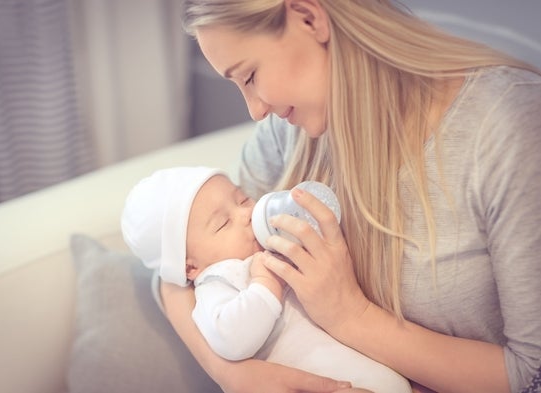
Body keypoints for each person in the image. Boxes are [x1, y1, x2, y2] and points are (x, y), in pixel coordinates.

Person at [158, 1, 541, 392]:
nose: (255, 110)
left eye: (251, 76)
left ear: (309, 17)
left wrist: (350, 315)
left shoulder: (509, 126)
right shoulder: (289, 131)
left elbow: (531, 376)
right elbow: (178, 263)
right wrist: (233, 373)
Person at [121, 165, 412, 393]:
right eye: (223, 223)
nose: (246, 214)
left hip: (374, 371)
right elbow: (230, 339)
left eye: (242, 198)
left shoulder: (270, 245)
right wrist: (265, 284)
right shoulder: (217, 282)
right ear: (191, 268)